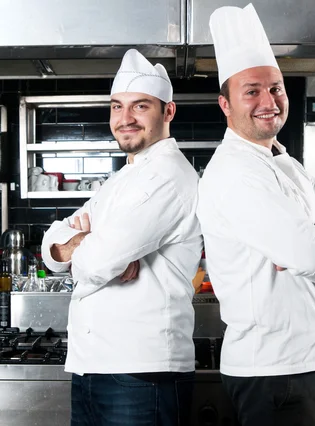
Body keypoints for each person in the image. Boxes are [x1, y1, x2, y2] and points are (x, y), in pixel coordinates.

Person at [196, 4, 315, 426]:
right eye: (251, 91)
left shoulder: (285, 162)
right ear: (225, 104)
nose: (268, 101)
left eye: (275, 89)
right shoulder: (236, 172)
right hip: (274, 374)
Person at [41, 49, 203, 426]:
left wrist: (90, 250)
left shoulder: (167, 176)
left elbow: (96, 262)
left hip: (142, 372)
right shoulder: (122, 178)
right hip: (92, 366)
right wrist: (79, 245)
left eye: (140, 106)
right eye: (117, 106)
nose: (125, 119)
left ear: (168, 112)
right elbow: (53, 246)